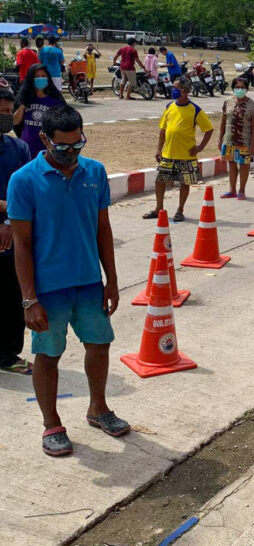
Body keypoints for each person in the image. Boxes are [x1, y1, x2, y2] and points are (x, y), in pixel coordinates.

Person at [8, 105, 128, 456]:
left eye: (78, 145)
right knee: (48, 355)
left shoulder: (95, 172)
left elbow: (102, 229)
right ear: (44, 139)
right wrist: (29, 299)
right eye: (63, 147)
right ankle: (52, 425)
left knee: (99, 345)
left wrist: (111, 280)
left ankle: (98, 408)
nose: (72, 154)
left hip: (89, 284)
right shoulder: (24, 180)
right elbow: (22, 245)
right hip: (48, 291)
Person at [145, 77, 214, 222]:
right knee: (160, 181)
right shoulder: (169, 106)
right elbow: (163, 129)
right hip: (168, 154)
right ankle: (159, 208)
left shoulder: (195, 110)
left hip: (187, 155)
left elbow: (209, 129)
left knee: (184, 183)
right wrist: (159, 149)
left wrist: (200, 147)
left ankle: (180, 210)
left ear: (185, 91)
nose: (173, 90)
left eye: (176, 88)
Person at [0, 84, 32, 375]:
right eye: (3, 113)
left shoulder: (18, 148)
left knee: (12, 296)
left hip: (13, 235)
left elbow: (28, 193)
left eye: (10, 113)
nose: (8, 118)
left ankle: (8, 354)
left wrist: (9, 221)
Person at [218, 77, 254, 200]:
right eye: (237, 87)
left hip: (244, 140)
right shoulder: (228, 101)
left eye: (242, 87)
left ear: (246, 89)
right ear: (233, 88)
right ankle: (232, 190)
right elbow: (223, 121)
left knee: (244, 164)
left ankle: (242, 190)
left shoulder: (253, 106)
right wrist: (220, 138)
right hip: (229, 139)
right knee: (231, 163)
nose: (239, 89)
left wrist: (252, 145)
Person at [13, 64, 65, 158]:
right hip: (27, 149)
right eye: (36, 76)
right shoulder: (23, 98)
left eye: (43, 76)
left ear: (48, 78)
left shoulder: (55, 101)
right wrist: (23, 105)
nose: (40, 79)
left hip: (48, 150)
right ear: (30, 79)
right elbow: (15, 122)